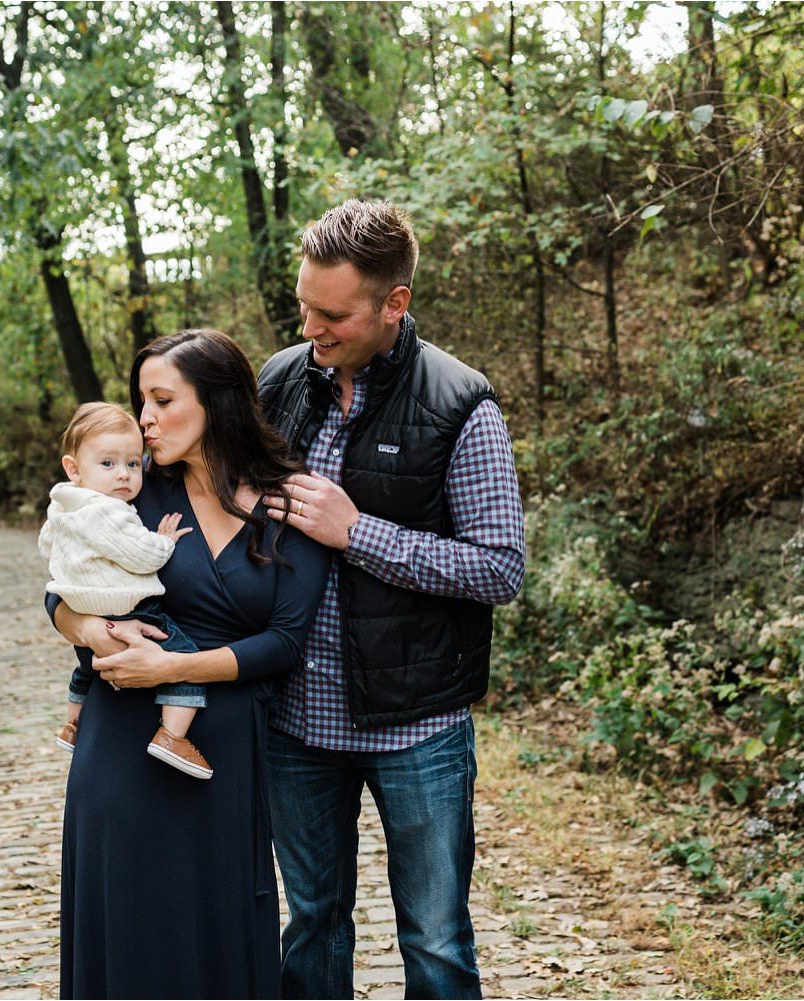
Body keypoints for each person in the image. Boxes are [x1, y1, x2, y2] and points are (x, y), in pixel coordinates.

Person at [257, 199, 527, 999]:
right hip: (295, 721)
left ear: (393, 304)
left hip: (420, 725)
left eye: (332, 313)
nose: (311, 326)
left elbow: (499, 568)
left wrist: (358, 531)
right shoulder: (278, 383)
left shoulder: (461, 405)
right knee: (310, 924)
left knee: (437, 941)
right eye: (304, 305)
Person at [44, 329, 332, 999]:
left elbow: (287, 641)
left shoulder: (288, 501)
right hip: (121, 742)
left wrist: (177, 665)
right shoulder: (134, 493)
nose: (143, 418)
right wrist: (88, 627)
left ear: (217, 401)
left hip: (222, 748)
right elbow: (62, 584)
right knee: (132, 925)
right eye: (141, 398)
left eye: (161, 398)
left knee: (212, 922)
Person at [37, 401, 213, 779]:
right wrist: (164, 541)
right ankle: (172, 735)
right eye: (108, 464)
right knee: (184, 661)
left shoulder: (63, 505)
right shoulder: (109, 511)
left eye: (133, 464)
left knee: (87, 668)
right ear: (74, 468)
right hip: (128, 609)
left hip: (84, 606)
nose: (123, 475)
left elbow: (46, 547)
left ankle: (72, 726)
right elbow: (141, 556)